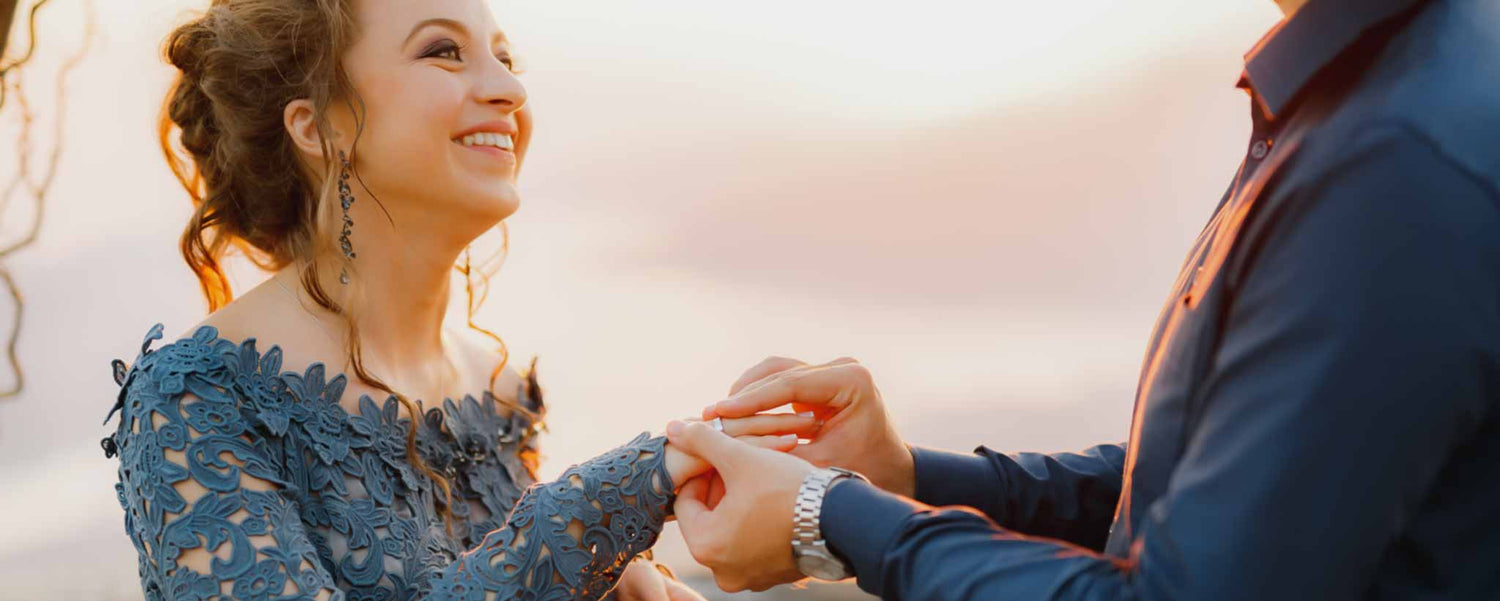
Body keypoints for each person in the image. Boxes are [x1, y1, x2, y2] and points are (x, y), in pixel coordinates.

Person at [670, 0, 1500, 599]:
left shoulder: (1394, 162)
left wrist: (826, 517)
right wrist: (908, 476)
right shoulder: (1370, 99)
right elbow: (1213, 486)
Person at [99, 1, 819, 600]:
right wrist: (618, 497)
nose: (509, 89)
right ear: (318, 126)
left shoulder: (499, 390)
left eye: (505, 57)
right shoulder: (198, 396)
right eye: (444, 51)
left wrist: (614, 576)